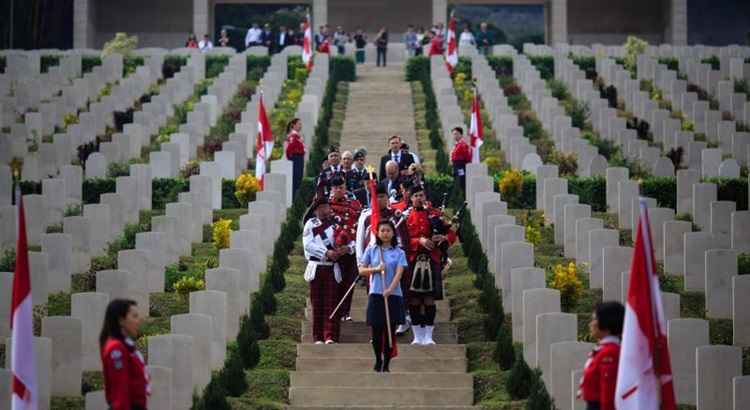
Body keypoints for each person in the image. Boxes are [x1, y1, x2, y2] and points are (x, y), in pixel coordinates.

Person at [403, 185, 457, 345]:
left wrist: (445, 238)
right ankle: (417, 336)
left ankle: (428, 336)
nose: (419, 198)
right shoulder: (405, 217)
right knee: (413, 300)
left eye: (421, 195)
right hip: (412, 261)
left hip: (431, 260)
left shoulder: (435, 215)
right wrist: (418, 240)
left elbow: (451, 231)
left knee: (429, 299)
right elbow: (402, 240)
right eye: (416, 195)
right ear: (410, 198)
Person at [359, 220, 407, 372]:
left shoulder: (399, 252)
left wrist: (390, 289)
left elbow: (399, 273)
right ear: (378, 233)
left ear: (393, 233)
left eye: (388, 230)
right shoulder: (372, 250)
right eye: (382, 231)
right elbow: (361, 270)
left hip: (393, 295)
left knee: (389, 331)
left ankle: (386, 363)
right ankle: (377, 360)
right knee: (376, 330)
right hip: (376, 294)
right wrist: (375, 269)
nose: (385, 233)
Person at [303, 197, 347, 344]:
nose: (324, 210)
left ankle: (330, 335)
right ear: (315, 210)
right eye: (320, 207)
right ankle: (317, 336)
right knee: (317, 303)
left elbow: (349, 240)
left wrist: (344, 249)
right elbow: (308, 245)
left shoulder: (337, 223)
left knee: (332, 302)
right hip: (317, 267)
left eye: (326, 206)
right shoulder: (310, 224)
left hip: (332, 268)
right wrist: (326, 252)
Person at [100, 299, 149, 410]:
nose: (139, 320)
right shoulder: (116, 349)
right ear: (121, 320)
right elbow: (120, 391)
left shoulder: (127, 347)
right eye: (134, 316)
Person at [579, 301, 625, 410]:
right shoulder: (604, 349)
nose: (590, 324)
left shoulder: (610, 352)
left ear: (607, 324)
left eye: (594, 319)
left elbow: (608, 392)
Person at [328, 176, 362, 322]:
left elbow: (359, 229)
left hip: (350, 249)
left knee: (349, 282)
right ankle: (334, 311)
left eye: (341, 187)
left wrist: (349, 248)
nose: (339, 190)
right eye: (336, 188)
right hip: (333, 252)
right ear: (331, 189)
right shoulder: (326, 206)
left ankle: (345, 312)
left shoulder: (354, 205)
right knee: (334, 283)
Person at [285, 118, 305, 195]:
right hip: (296, 160)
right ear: (293, 125)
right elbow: (289, 149)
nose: (300, 126)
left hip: (299, 159)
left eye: (301, 124)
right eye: (299, 124)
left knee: (298, 180)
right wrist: (290, 158)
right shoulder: (293, 136)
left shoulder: (297, 136)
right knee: (295, 180)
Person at [450, 126, 472, 195]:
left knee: (462, 183)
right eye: (453, 134)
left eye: (456, 134)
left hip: (461, 167)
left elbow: (467, 157)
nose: (454, 136)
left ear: (461, 134)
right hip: (456, 167)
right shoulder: (456, 145)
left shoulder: (462, 145)